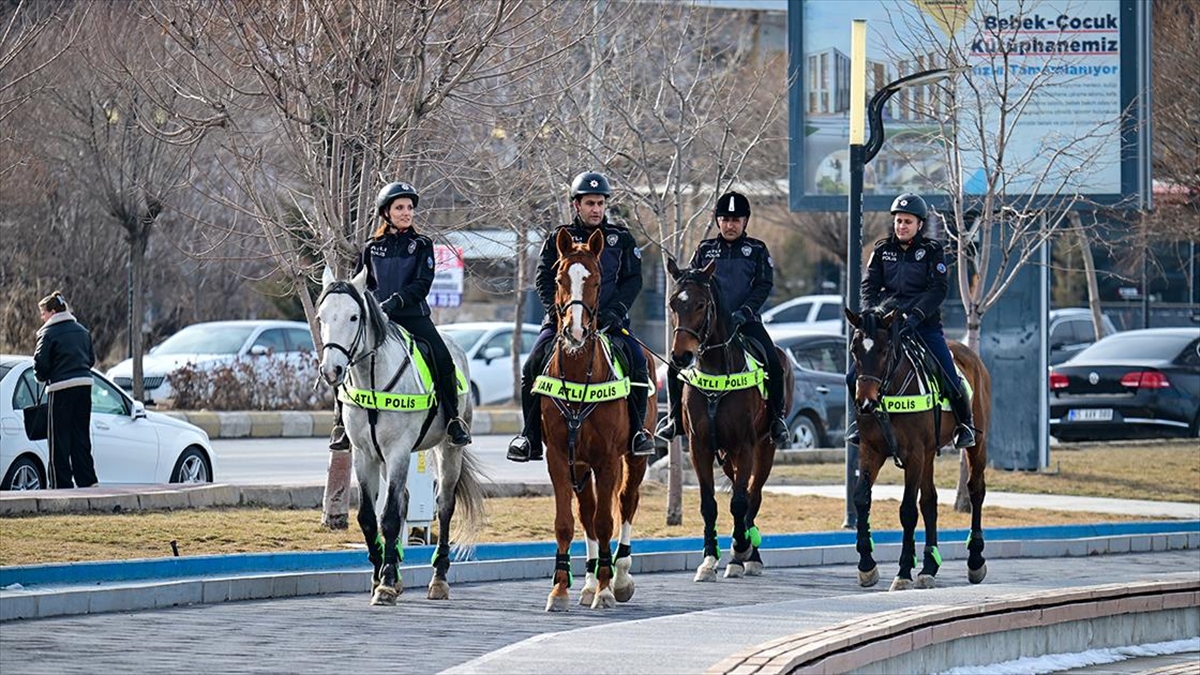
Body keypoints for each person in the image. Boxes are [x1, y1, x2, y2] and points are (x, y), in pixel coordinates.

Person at [506, 171, 656, 462]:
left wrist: (614, 312)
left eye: (600, 203)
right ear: (577, 205)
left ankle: (638, 433)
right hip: (562, 323)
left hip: (610, 324)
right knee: (532, 366)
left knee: (638, 364)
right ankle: (529, 437)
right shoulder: (558, 238)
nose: (596, 209)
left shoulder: (621, 239)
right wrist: (558, 314)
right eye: (590, 203)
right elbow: (543, 280)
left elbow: (632, 281)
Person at [331, 181, 472, 448]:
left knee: (442, 358)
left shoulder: (421, 244)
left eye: (409, 207)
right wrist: (372, 307)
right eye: (399, 208)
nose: (406, 212)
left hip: (413, 317)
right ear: (386, 212)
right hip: (377, 320)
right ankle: (341, 424)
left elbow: (422, 285)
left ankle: (453, 420)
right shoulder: (371, 247)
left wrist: (394, 303)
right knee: (345, 358)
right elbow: (363, 284)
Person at [654, 191, 790, 446]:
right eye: (725, 219)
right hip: (708, 328)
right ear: (717, 220)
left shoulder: (757, 250)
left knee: (774, 362)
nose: (730, 225)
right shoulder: (705, 249)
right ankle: (674, 420)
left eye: (736, 220)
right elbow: (692, 282)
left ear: (745, 221)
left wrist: (745, 312)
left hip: (744, 323)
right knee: (675, 365)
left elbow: (763, 285)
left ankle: (776, 420)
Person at [845, 193, 976, 448]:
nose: (901, 226)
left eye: (907, 221)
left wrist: (914, 315)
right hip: (886, 329)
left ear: (919, 225)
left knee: (949, 375)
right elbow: (869, 286)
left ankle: (965, 425)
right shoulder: (882, 250)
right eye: (898, 221)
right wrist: (872, 315)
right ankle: (860, 421)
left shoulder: (932, 251)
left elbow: (938, 289)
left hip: (923, 327)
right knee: (853, 376)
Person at [33, 290, 98, 489]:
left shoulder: (48, 333)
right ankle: (88, 482)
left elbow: (41, 366)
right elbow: (91, 360)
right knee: (81, 437)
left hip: (61, 389)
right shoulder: (82, 331)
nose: (42, 318)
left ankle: (61, 486)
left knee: (58, 440)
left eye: (43, 313)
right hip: (84, 388)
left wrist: (42, 376)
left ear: (52, 312)